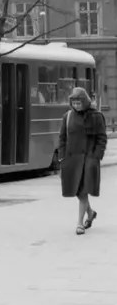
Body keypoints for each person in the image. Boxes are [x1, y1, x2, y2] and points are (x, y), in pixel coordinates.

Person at [59, 87, 107, 234]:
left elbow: (102, 138)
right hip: (72, 160)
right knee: (77, 192)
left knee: (83, 191)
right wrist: (62, 157)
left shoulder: (96, 116)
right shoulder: (67, 117)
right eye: (74, 102)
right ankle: (90, 213)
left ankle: (79, 223)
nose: (76, 105)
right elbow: (62, 138)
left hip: (88, 159)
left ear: (85, 102)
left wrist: (96, 156)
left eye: (79, 102)